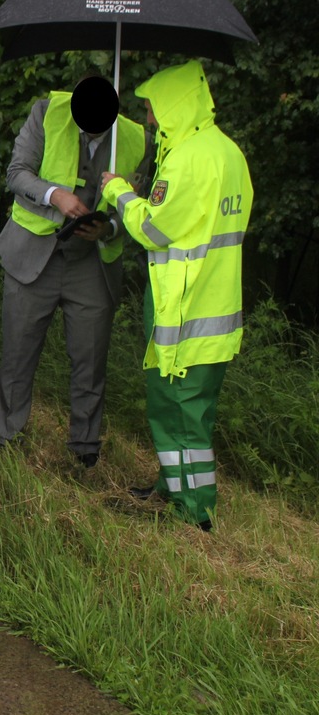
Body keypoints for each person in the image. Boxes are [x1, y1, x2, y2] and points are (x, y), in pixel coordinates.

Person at [101, 60, 252, 532]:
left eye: (153, 108)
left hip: (185, 311)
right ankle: (174, 486)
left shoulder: (188, 158)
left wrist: (119, 192)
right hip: (214, 307)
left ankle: (195, 512)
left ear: (176, 106)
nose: (149, 118)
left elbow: (152, 228)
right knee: (182, 408)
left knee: (181, 413)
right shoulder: (228, 153)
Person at [0, 77, 151, 468]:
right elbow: (17, 173)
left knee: (90, 360)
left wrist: (109, 228)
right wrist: (55, 195)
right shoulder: (47, 113)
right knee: (17, 354)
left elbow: (141, 206)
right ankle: (5, 438)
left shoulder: (138, 139)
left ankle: (85, 450)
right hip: (33, 257)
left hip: (92, 264)